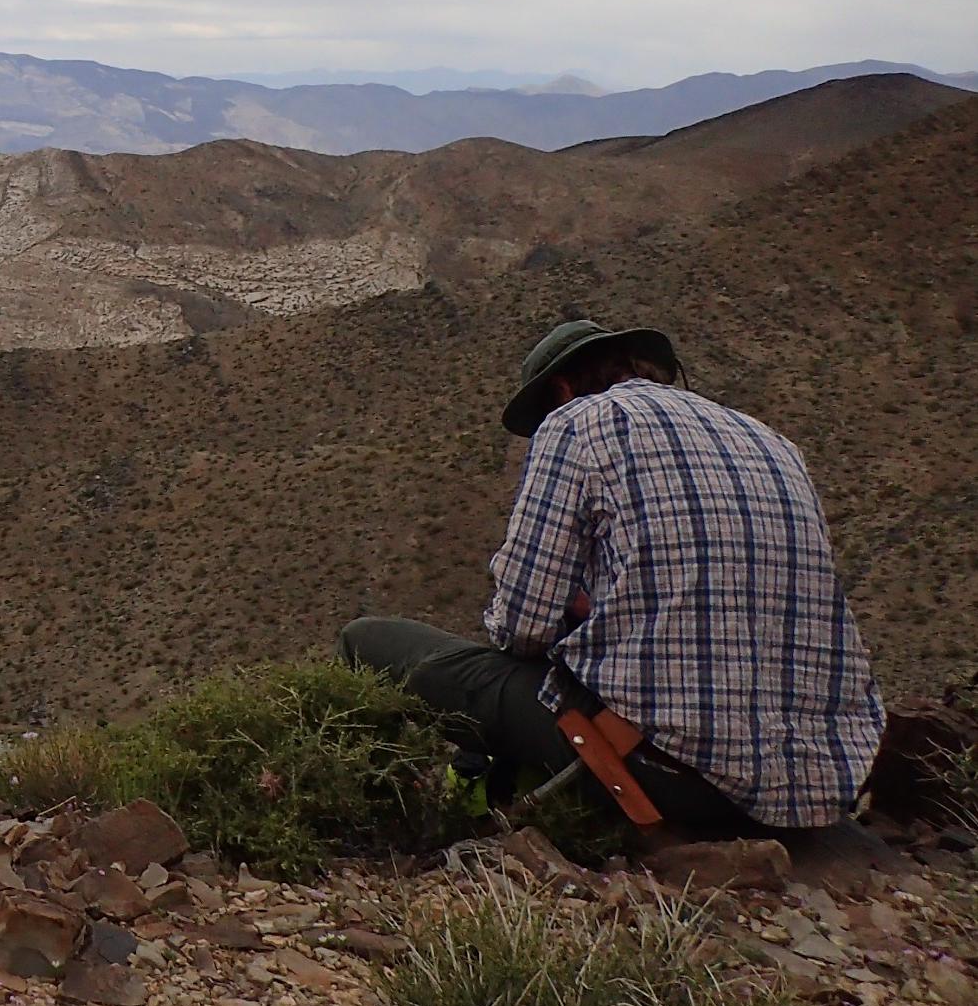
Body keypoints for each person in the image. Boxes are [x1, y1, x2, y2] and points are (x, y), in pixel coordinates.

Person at [340, 317, 885, 833]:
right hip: (821, 782)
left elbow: (520, 624)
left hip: (683, 778)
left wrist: (563, 615)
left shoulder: (575, 424)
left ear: (559, 389)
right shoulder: (774, 443)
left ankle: (372, 836)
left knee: (367, 641)